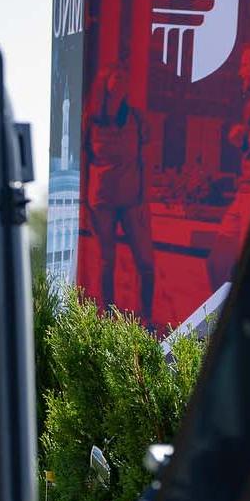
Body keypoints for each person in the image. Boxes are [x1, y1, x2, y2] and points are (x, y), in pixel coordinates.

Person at [82, 65, 156, 320]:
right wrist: (82, 203)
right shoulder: (91, 119)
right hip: (101, 200)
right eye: (118, 79)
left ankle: (146, 318)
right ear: (106, 85)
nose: (122, 84)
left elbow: (145, 160)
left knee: (146, 264)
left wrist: (145, 201)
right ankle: (108, 316)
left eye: (125, 80)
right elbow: (81, 161)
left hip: (132, 200)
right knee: (107, 261)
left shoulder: (136, 118)